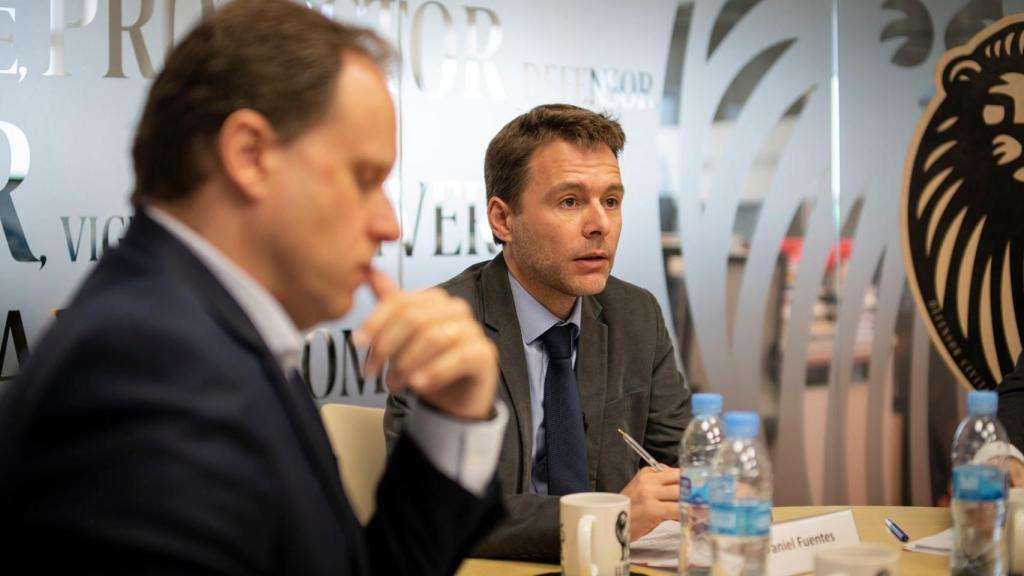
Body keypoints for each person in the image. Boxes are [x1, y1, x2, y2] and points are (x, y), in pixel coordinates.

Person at [0, 2, 507, 574]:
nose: (390, 224)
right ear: (249, 155)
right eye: (364, 179)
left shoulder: (206, 337)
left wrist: (451, 419)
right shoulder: (150, 368)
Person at [385, 104, 693, 560]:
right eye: (570, 201)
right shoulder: (443, 328)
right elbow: (439, 509)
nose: (600, 225)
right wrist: (609, 514)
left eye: (611, 201)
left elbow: (687, 465)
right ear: (503, 220)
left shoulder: (636, 314)